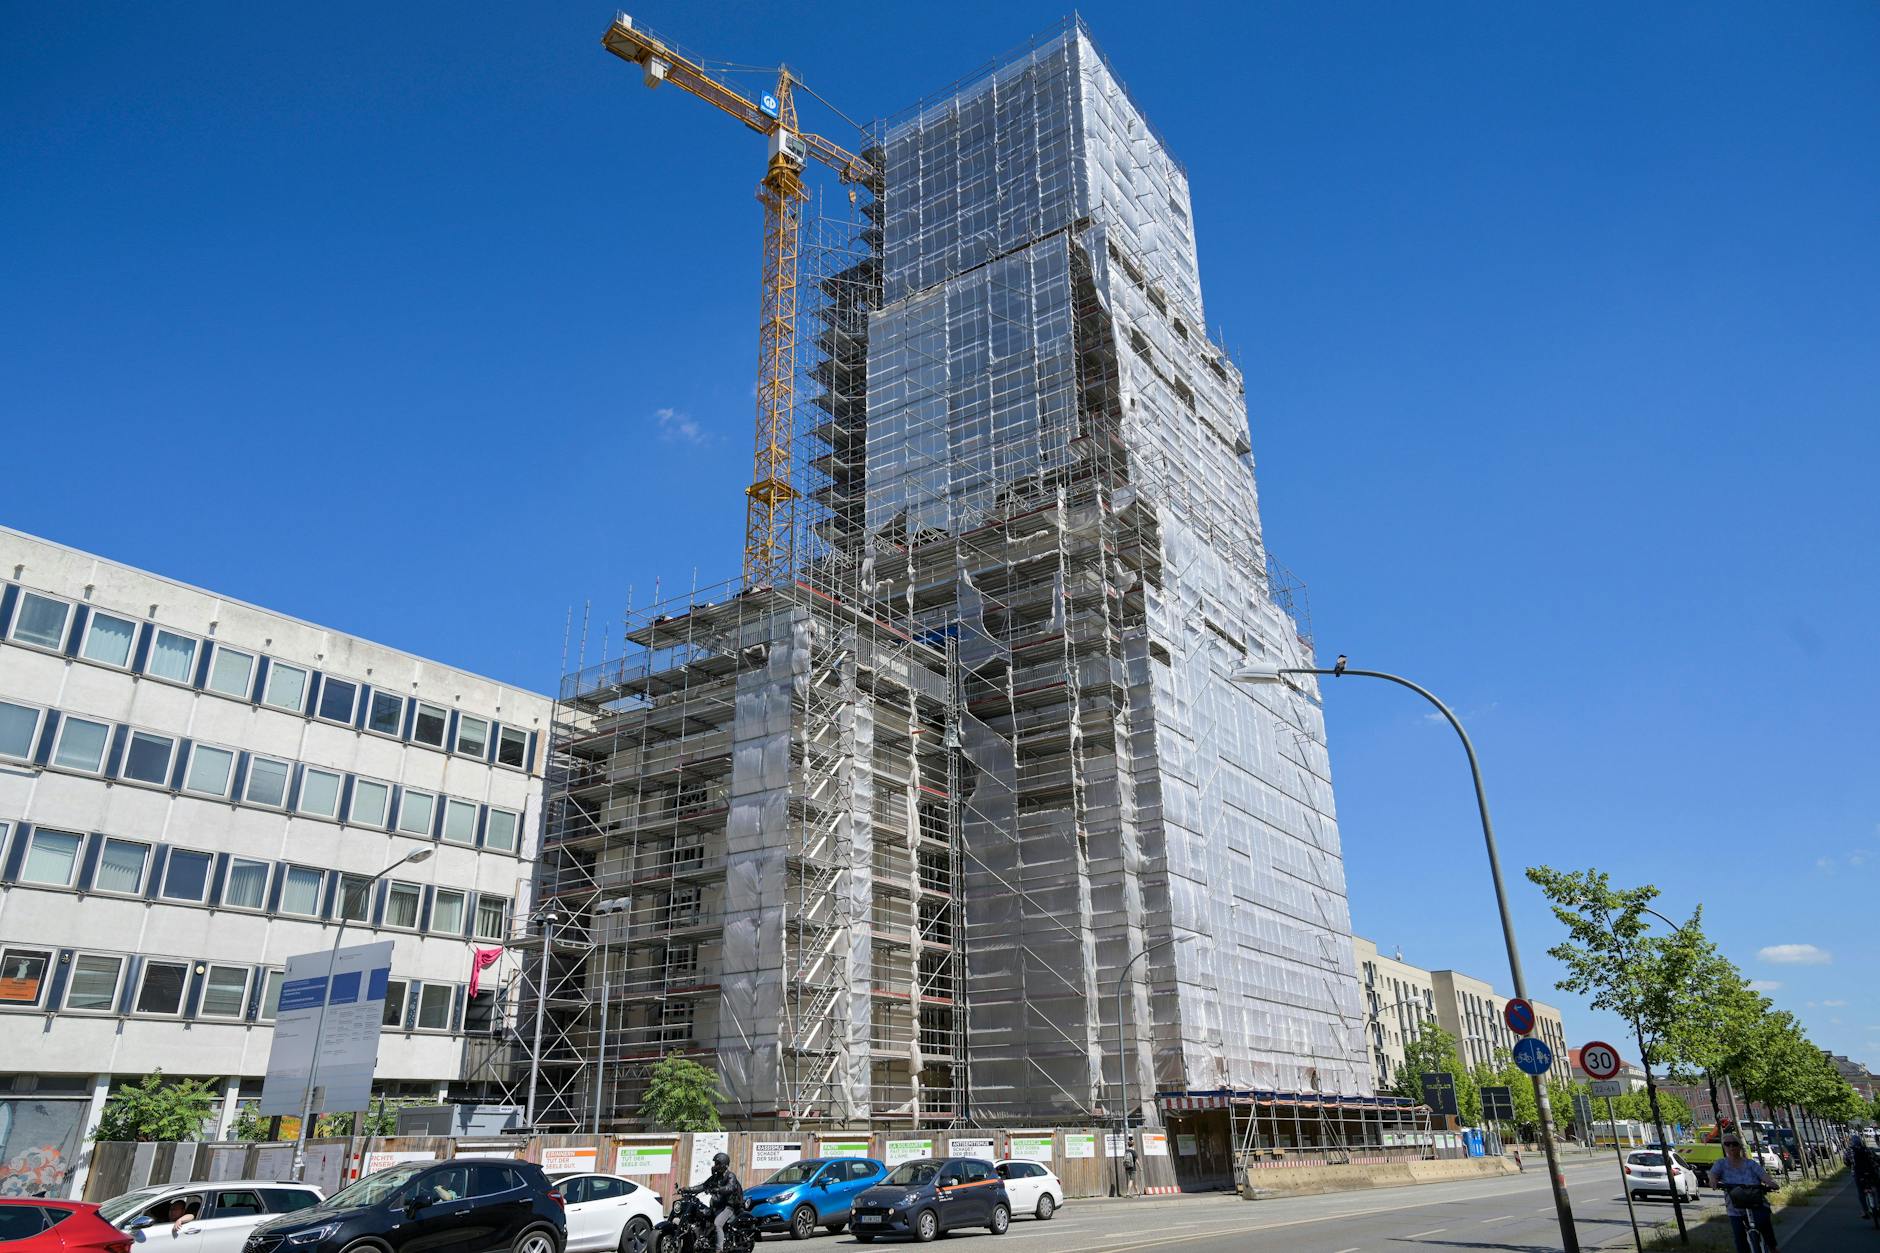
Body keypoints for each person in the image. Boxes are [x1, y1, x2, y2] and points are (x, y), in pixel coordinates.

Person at [1710, 1135, 1778, 1253]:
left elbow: (1763, 1175)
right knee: (1739, 1238)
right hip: (1735, 1207)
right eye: (1727, 1144)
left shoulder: (1750, 1164)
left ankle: (1772, 1248)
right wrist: (1713, 1181)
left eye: (1734, 1144)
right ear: (1724, 1147)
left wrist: (1771, 1183)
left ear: (1740, 1146)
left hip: (1755, 1202)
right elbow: (1713, 1175)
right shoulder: (1720, 1164)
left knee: (1765, 1225)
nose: (1731, 1146)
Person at [682, 1151, 743, 1253]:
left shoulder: (730, 1176)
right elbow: (703, 1186)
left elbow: (730, 1187)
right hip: (717, 1206)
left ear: (723, 1164)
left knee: (717, 1224)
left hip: (728, 1206)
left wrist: (718, 1189)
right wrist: (688, 1189)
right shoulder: (715, 1177)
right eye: (715, 1164)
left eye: (717, 1164)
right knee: (702, 1216)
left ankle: (719, 1249)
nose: (715, 1166)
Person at [1846, 1134, 1880, 1217]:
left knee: (1861, 1192)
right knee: (1878, 1187)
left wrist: (1851, 1166)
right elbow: (1876, 1159)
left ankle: (1865, 1211)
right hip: (1871, 1173)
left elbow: (1847, 1162)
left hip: (1859, 1175)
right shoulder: (1867, 1150)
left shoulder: (1849, 1151)